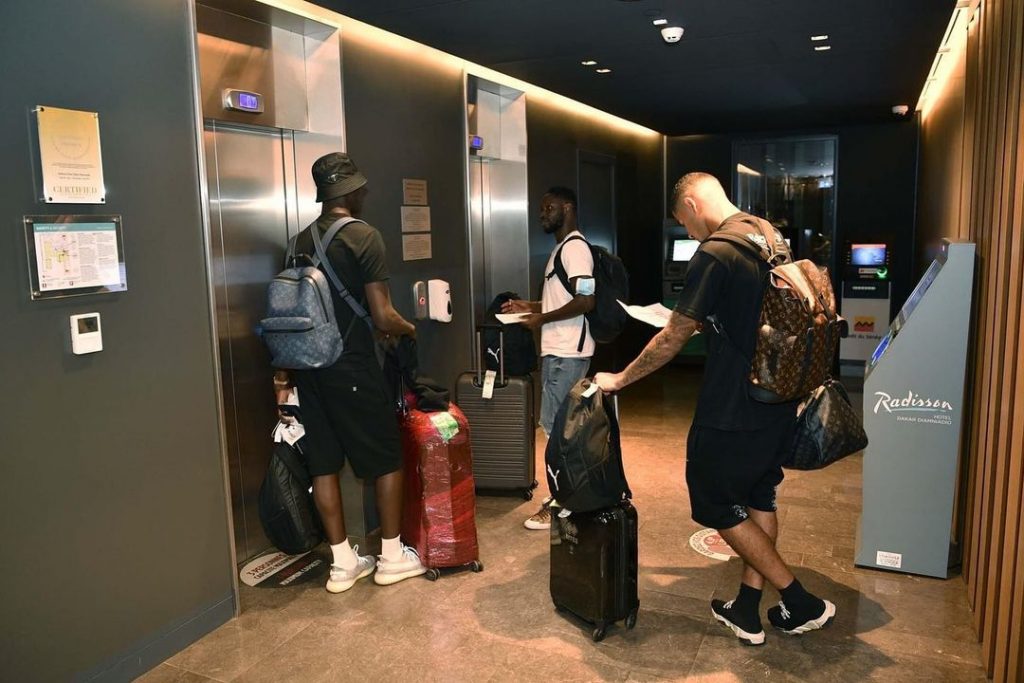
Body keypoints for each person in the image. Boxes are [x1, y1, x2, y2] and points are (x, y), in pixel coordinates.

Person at [594, 173, 836, 645]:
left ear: (691, 202)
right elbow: (755, 314)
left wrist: (620, 379)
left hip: (734, 406)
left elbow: (673, 336)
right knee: (759, 496)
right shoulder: (767, 234)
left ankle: (799, 600)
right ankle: (747, 608)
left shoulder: (715, 251)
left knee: (713, 502)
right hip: (778, 395)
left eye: (683, 221)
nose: (686, 232)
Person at [273, 152, 425, 593]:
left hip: (308, 368)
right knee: (386, 460)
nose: (364, 193)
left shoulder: (296, 241)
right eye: (361, 187)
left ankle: (342, 564)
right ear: (351, 191)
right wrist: (408, 327)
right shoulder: (364, 237)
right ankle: (392, 557)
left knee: (323, 464)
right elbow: (382, 315)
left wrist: (283, 377)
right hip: (352, 366)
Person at [502, 187, 595, 530]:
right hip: (559, 350)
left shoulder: (575, 249)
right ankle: (567, 495)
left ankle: (562, 501)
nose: (542, 213)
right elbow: (564, 302)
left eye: (548, 207)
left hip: (567, 352)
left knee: (559, 432)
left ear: (567, 208)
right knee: (559, 429)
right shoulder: (562, 248)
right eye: (541, 208)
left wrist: (540, 320)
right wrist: (530, 307)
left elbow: (587, 301)